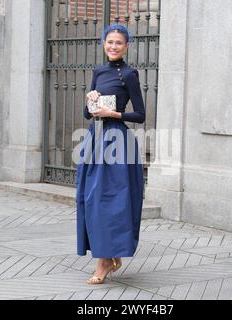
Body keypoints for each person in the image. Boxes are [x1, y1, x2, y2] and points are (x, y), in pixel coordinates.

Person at [76, 24, 146, 285]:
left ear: (126, 46)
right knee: (92, 199)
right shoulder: (98, 71)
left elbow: (140, 114)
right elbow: (88, 114)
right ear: (103, 44)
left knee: (113, 200)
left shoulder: (129, 74)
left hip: (117, 141)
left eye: (119, 43)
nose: (114, 46)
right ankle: (106, 254)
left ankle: (105, 260)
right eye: (110, 42)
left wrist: (113, 114)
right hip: (95, 139)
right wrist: (90, 100)